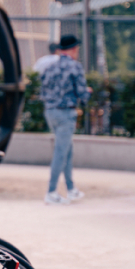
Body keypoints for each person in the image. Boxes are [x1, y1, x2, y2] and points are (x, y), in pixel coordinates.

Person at [40, 33, 91, 205]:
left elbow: (43, 88)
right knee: (61, 153)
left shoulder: (49, 66)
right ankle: (51, 192)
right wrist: (87, 93)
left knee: (67, 150)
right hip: (65, 114)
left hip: (50, 112)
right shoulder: (75, 67)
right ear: (74, 49)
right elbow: (82, 94)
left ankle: (71, 189)